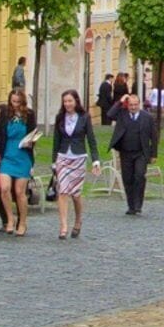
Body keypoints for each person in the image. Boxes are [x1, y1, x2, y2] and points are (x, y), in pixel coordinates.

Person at [50, 89, 96, 240]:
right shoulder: (60, 117)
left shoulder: (84, 117)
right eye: (65, 101)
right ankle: (63, 225)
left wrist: (95, 160)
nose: (67, 104)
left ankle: (78, 220)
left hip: (78, 157)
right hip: (63, 156)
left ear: (76, 101)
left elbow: (91, 139)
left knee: (75, 195)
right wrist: (53, 161)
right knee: (62, 191)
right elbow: (56, 140)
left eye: (70, 101)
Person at [0, 98, 38, 235]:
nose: (15, 104)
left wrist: (30, 143)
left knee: (19, 192)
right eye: (13, 101)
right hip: (7, 154)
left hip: (23, 155)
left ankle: (22, 222)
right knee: (5, 189)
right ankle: (9, 219)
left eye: (18, 101)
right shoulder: (5, 114)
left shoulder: (29, 114)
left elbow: (33, 133)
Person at [112, 92, 159, 216]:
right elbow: (109, 114)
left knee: (139, 176)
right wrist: (121, 100)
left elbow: (154, 136)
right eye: (130, 105)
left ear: (139, 104)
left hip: (141, 153)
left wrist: (154, 154)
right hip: (125, 152)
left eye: (135, 105)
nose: (133, 107)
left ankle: (138, 204)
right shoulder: (122, 115)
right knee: (127, 179)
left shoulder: (147, 117)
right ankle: (131, 205)